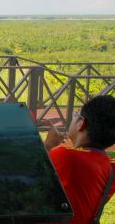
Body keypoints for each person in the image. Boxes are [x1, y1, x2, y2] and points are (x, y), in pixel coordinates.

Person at [44, 95, 115, 224]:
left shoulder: (66, 157)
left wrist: (48, 145)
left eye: (75, 115)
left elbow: (27, 176)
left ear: (81, 123)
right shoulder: (110, 168)